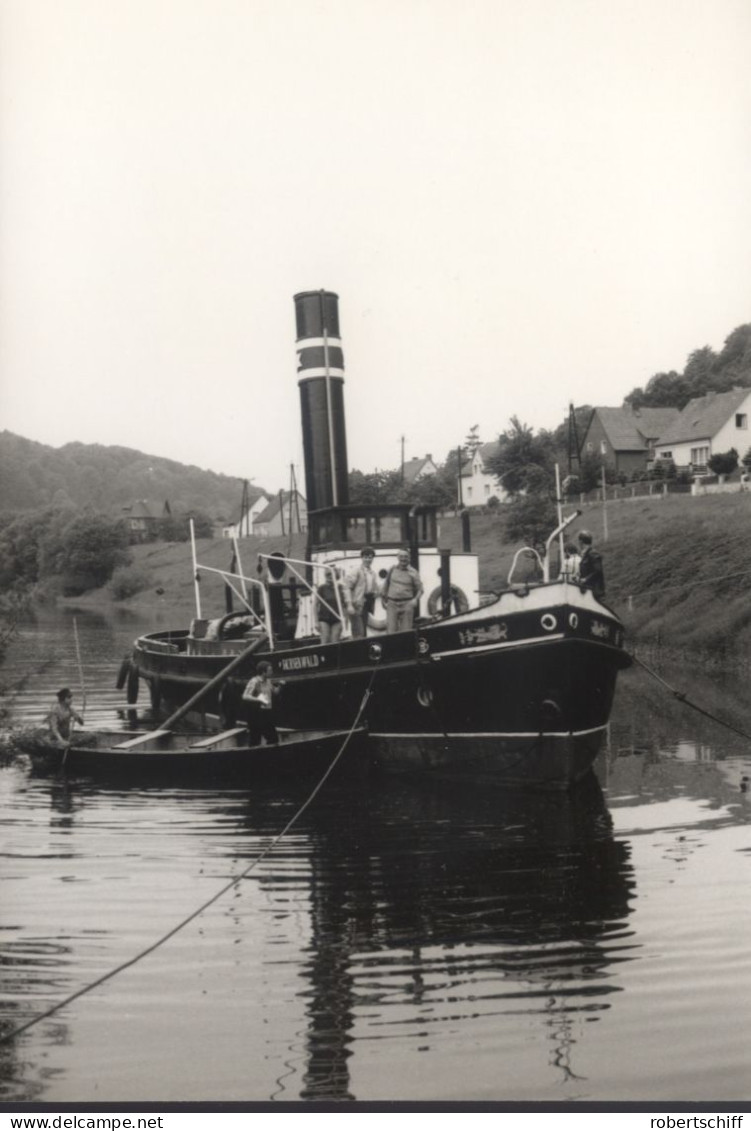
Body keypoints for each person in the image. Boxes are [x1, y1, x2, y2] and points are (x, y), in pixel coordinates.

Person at [382, 548, 424, 633]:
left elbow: (420, 589)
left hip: (407, 604)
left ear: (409, 558)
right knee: (391, 631)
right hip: (392, 604)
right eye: (401, 556)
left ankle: (405, 646)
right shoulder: (392, 569)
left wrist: (415, 600)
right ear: (397, 557)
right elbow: (386, 584)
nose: (403, 559)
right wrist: (383, 599)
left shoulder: (413, 572)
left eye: (406, 556)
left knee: (406, 632)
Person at [242, 661, 281, 746]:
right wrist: (259, 700)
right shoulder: (254, 681)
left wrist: (280, 686)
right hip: (257, 714)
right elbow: (245, 696)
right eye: (270, 670)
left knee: (273, 738)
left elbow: (275, 692)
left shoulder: (268, 681)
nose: (272, 672)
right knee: (255, 739)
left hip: (267, 713)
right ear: (263, 672)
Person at [345, 547, 381, 638]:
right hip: (356, 605)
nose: (368, 559)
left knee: (364, 632)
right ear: (362, 558)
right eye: (365, 557)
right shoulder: (356, 571)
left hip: (366, 605)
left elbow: (374, 589)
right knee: (359, 633)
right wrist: (349, 604)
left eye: (370, 557)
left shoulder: (373, 573)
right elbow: (347, 587)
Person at [316, 569, 351, 644]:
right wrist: (316, 622)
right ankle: (324, 656)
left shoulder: (341, 588)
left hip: (337, 619)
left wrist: (346, 621)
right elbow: (315, 605)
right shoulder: (322, 588)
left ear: (336, 576)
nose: (330, 576)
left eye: (332, 574)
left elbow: (345, 605)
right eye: (327, 574)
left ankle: (333, 656)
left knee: (335, 641)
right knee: (325, 640)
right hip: (324, 618)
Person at [577, 530, 605, 599]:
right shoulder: (586, 554)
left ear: (581, 542)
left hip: (594, 591)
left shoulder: (593, 554)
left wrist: (586, 579)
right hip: (589, 590)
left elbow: (598, 570)